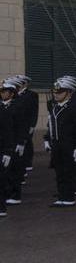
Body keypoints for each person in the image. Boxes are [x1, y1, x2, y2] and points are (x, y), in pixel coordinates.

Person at [44, 77, 76, 207]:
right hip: (57, 144)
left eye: (60, 92)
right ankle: (62, 195)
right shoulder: (54, 107)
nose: (56, 94)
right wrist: (47, 139)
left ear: (69, 92)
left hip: (69, 144)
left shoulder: (73, 108)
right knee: (59, 171)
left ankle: (69, 197)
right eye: (55, 92)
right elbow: (51, 125)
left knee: (68, 171)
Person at [0, 79, 19, 216]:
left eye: (4, 91)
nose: (2, 93)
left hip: (6, 146)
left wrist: (8, 151)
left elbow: (9, 131)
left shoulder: (6, 109)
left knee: (6, 176)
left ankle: (2, 206)